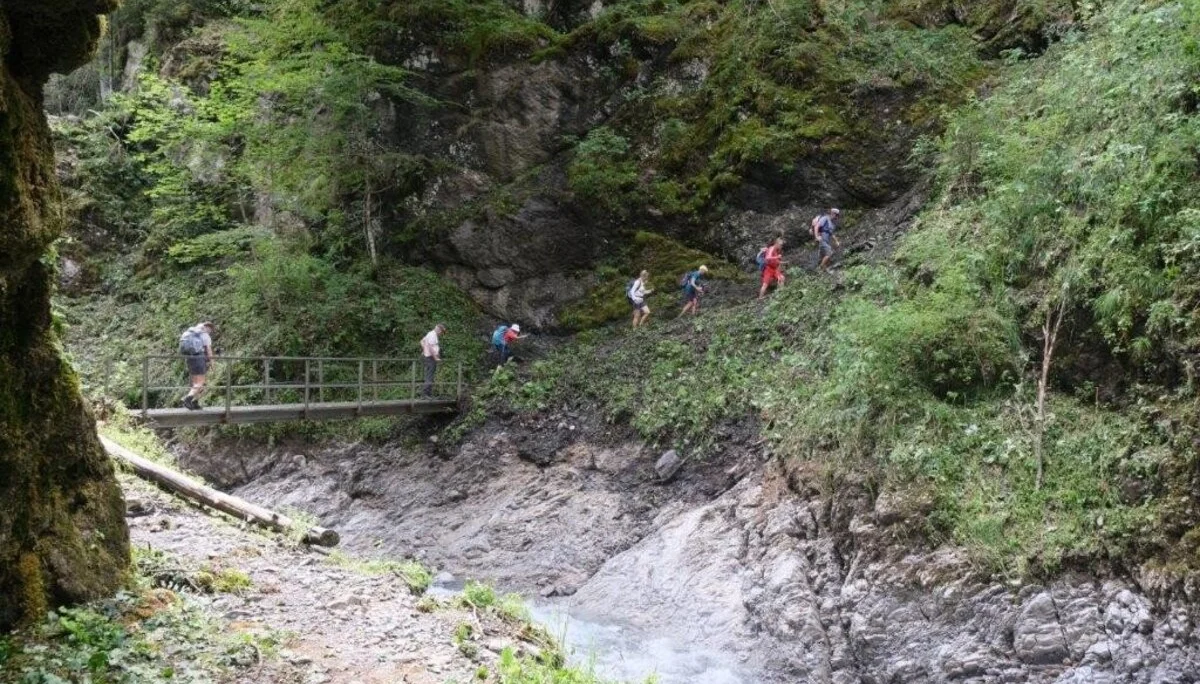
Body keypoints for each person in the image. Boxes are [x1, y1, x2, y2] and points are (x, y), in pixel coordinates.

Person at [178, 321, 215, 410]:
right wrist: (212, 362)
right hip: (199, 359)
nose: (210, 331)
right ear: (208, 327)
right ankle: (187, 399)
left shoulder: (192, 332)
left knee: (195, 383)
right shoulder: (205, 335)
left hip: (190, 358)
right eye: (211, 329)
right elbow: (209, 351)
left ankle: (194, 402)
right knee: (201, 382)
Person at [812, 207, 842, 272]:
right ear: (832, 214)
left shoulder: (832, 224)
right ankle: (821, 267)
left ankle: (822, 271)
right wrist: (817, 236)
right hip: (822, 239)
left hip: (826, 241)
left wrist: (836, 241)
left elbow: (831, 234)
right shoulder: (825, 218)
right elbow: (817, 226)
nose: (837, 217)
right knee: (829, 253)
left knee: (823, 256)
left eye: (838, 216)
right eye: (836, 215)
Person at [420, 323, 445, 397]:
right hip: (430, 358)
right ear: (439, 330)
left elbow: (422, 341)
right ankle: (425, 394)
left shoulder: (430, 333)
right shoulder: (433, 335)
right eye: (441, 332)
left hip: (428, 356)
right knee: (429, 376)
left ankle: (427, 393)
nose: (441, 333)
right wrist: (436, 357)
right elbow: (431, 347)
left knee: (429, 375)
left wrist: (425, 350)